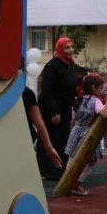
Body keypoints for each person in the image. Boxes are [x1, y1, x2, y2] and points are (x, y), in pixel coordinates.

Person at [37, 37, 80, 179]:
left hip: (65, 108)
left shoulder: (69, 65)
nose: (70, 50)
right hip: (53, 110)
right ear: (60, 49)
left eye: (72, 47)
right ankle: (49, 171)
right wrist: (54, 112)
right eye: (67, 48)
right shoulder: (52, 66)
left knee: (62, 139)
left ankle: (58, 169)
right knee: (52, 138)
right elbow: (47, 90)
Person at [64, 74, 107, 196]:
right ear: (94, 88)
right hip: (88, 135)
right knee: (90, 161)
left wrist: (73, 132)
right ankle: (76, 183)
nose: (102, 90)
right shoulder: (96, 101)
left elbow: (73, 121)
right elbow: (105, 115)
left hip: (76, 132)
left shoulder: (79, 100)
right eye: (101, 88)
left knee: (72, 158)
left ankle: (67, 179)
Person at [23, 87, 63, 171]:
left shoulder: (24, 92)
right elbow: (39, 122)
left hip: (24, 139)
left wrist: (49, 148)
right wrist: (49, 148)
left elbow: (39, 122)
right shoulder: (24, 91)